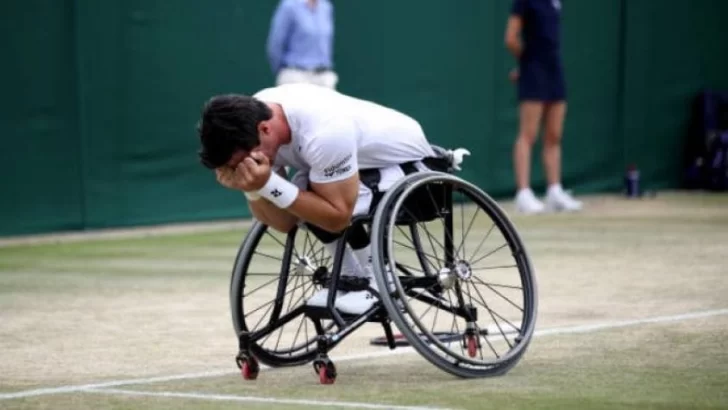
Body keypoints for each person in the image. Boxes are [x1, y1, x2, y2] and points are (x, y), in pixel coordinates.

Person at [197, 83, 439, 315]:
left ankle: (381, 275)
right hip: (347, 163)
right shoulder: (256, 122)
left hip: (405, 164)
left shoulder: (323, 133)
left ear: (265, 129)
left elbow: (337, 218)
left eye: (244, 161)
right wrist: (251, 188)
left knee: (309, 196)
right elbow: (283, 222)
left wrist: (268, 184)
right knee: (299, 194)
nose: (244, 167)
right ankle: (349, 276)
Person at [505, 0, 582, 213]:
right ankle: (523, 194)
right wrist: (527, 64)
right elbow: (511, 38)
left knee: (554, 135)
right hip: (534, 71)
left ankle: (555, 191)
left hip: (554, 69)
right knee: (528, 134)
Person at [266, 0, 338, 89]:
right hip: (295, 76)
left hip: (323, 78)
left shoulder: (326, 7)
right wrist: (284, 71)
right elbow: (276, 43)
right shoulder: (289, 5)